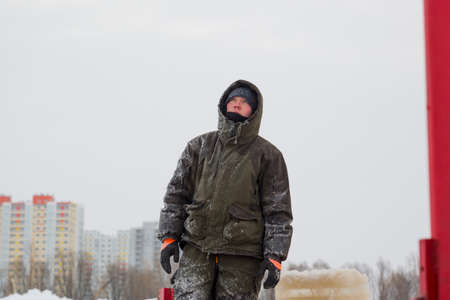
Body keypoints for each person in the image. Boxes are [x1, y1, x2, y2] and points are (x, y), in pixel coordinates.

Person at [158, 79, 293, 300]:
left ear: (254, 111)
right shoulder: (198, 147)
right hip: (197, 249)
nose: (237, 105)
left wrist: (274, 256)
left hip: (242, 257)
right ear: (224, 105)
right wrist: (169, 238)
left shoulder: (268, 156)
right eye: (233, 100)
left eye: (244, 102)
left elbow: (278, 212)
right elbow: (176, 196)